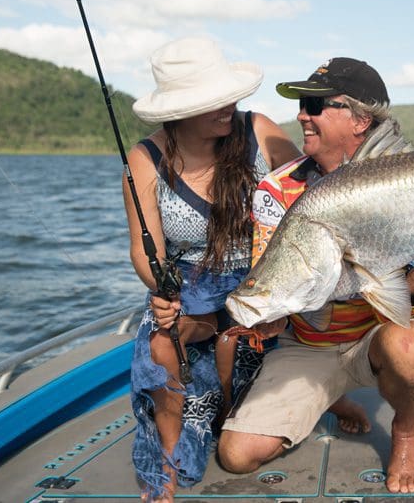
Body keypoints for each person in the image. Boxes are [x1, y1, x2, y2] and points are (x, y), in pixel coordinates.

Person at [216, 58, 414, 494]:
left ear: (361, 120)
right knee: (236, 456)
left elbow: (405, 305)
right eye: (302, 104)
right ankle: (330, 395)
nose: (302, 115)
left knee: (407, 346)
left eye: (315, 105)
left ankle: (405, 433)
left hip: (379, 334)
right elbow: (280, 279)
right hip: (307, 344)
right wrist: (272, 315)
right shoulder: (274, 190)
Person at [124, 36, 300, 502]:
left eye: (228, 95)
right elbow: (144, 250)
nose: (228, 105)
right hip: (189, 285)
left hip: (264, 276)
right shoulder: (145, 159)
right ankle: (167, 454)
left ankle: (314, 397)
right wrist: (162, 291)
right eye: (212, 100)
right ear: (179, 111)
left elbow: (310, 198)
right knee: (161, 342)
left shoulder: (259, 130)